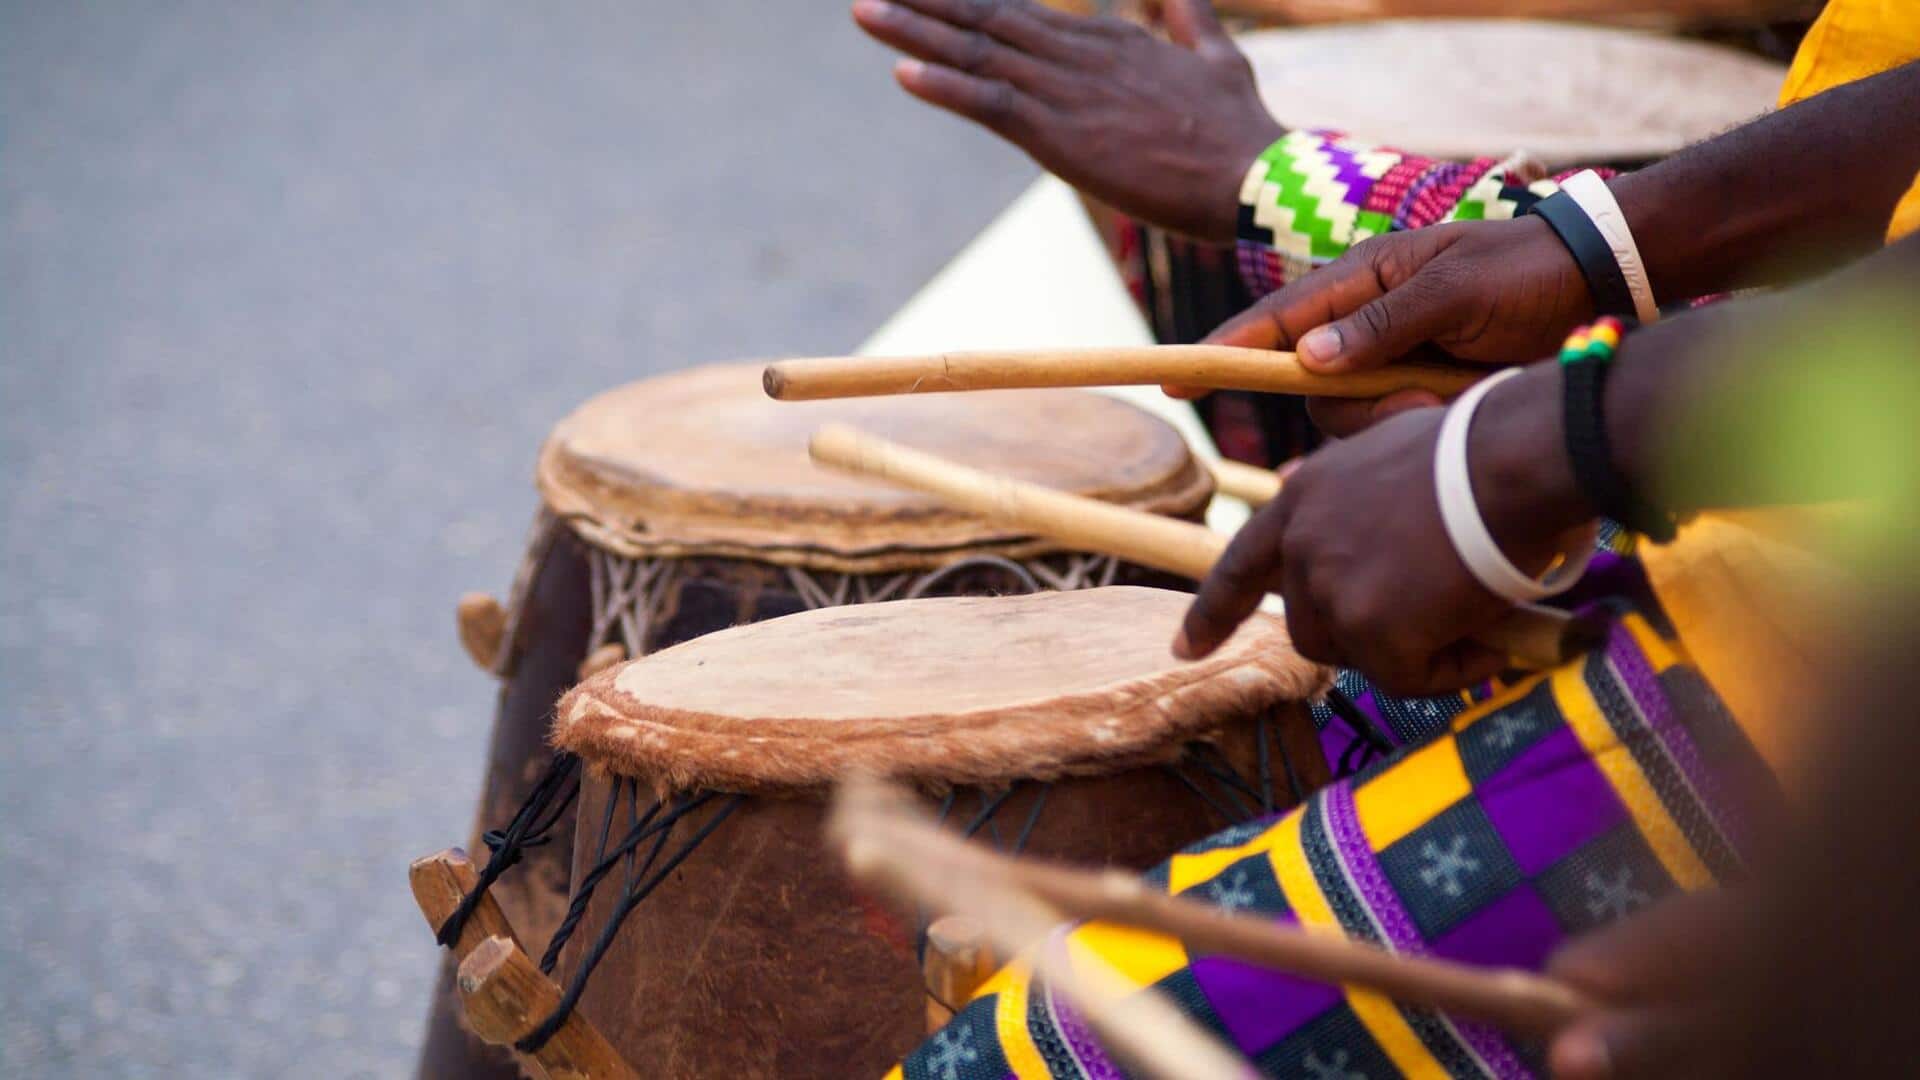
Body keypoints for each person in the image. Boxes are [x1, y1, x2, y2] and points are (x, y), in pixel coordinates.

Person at [877, 1, 1920, 1075]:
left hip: (1820, 663)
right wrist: (1587, 252)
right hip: (1780, 478)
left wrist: (1525, 449)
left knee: (1018, 1057)